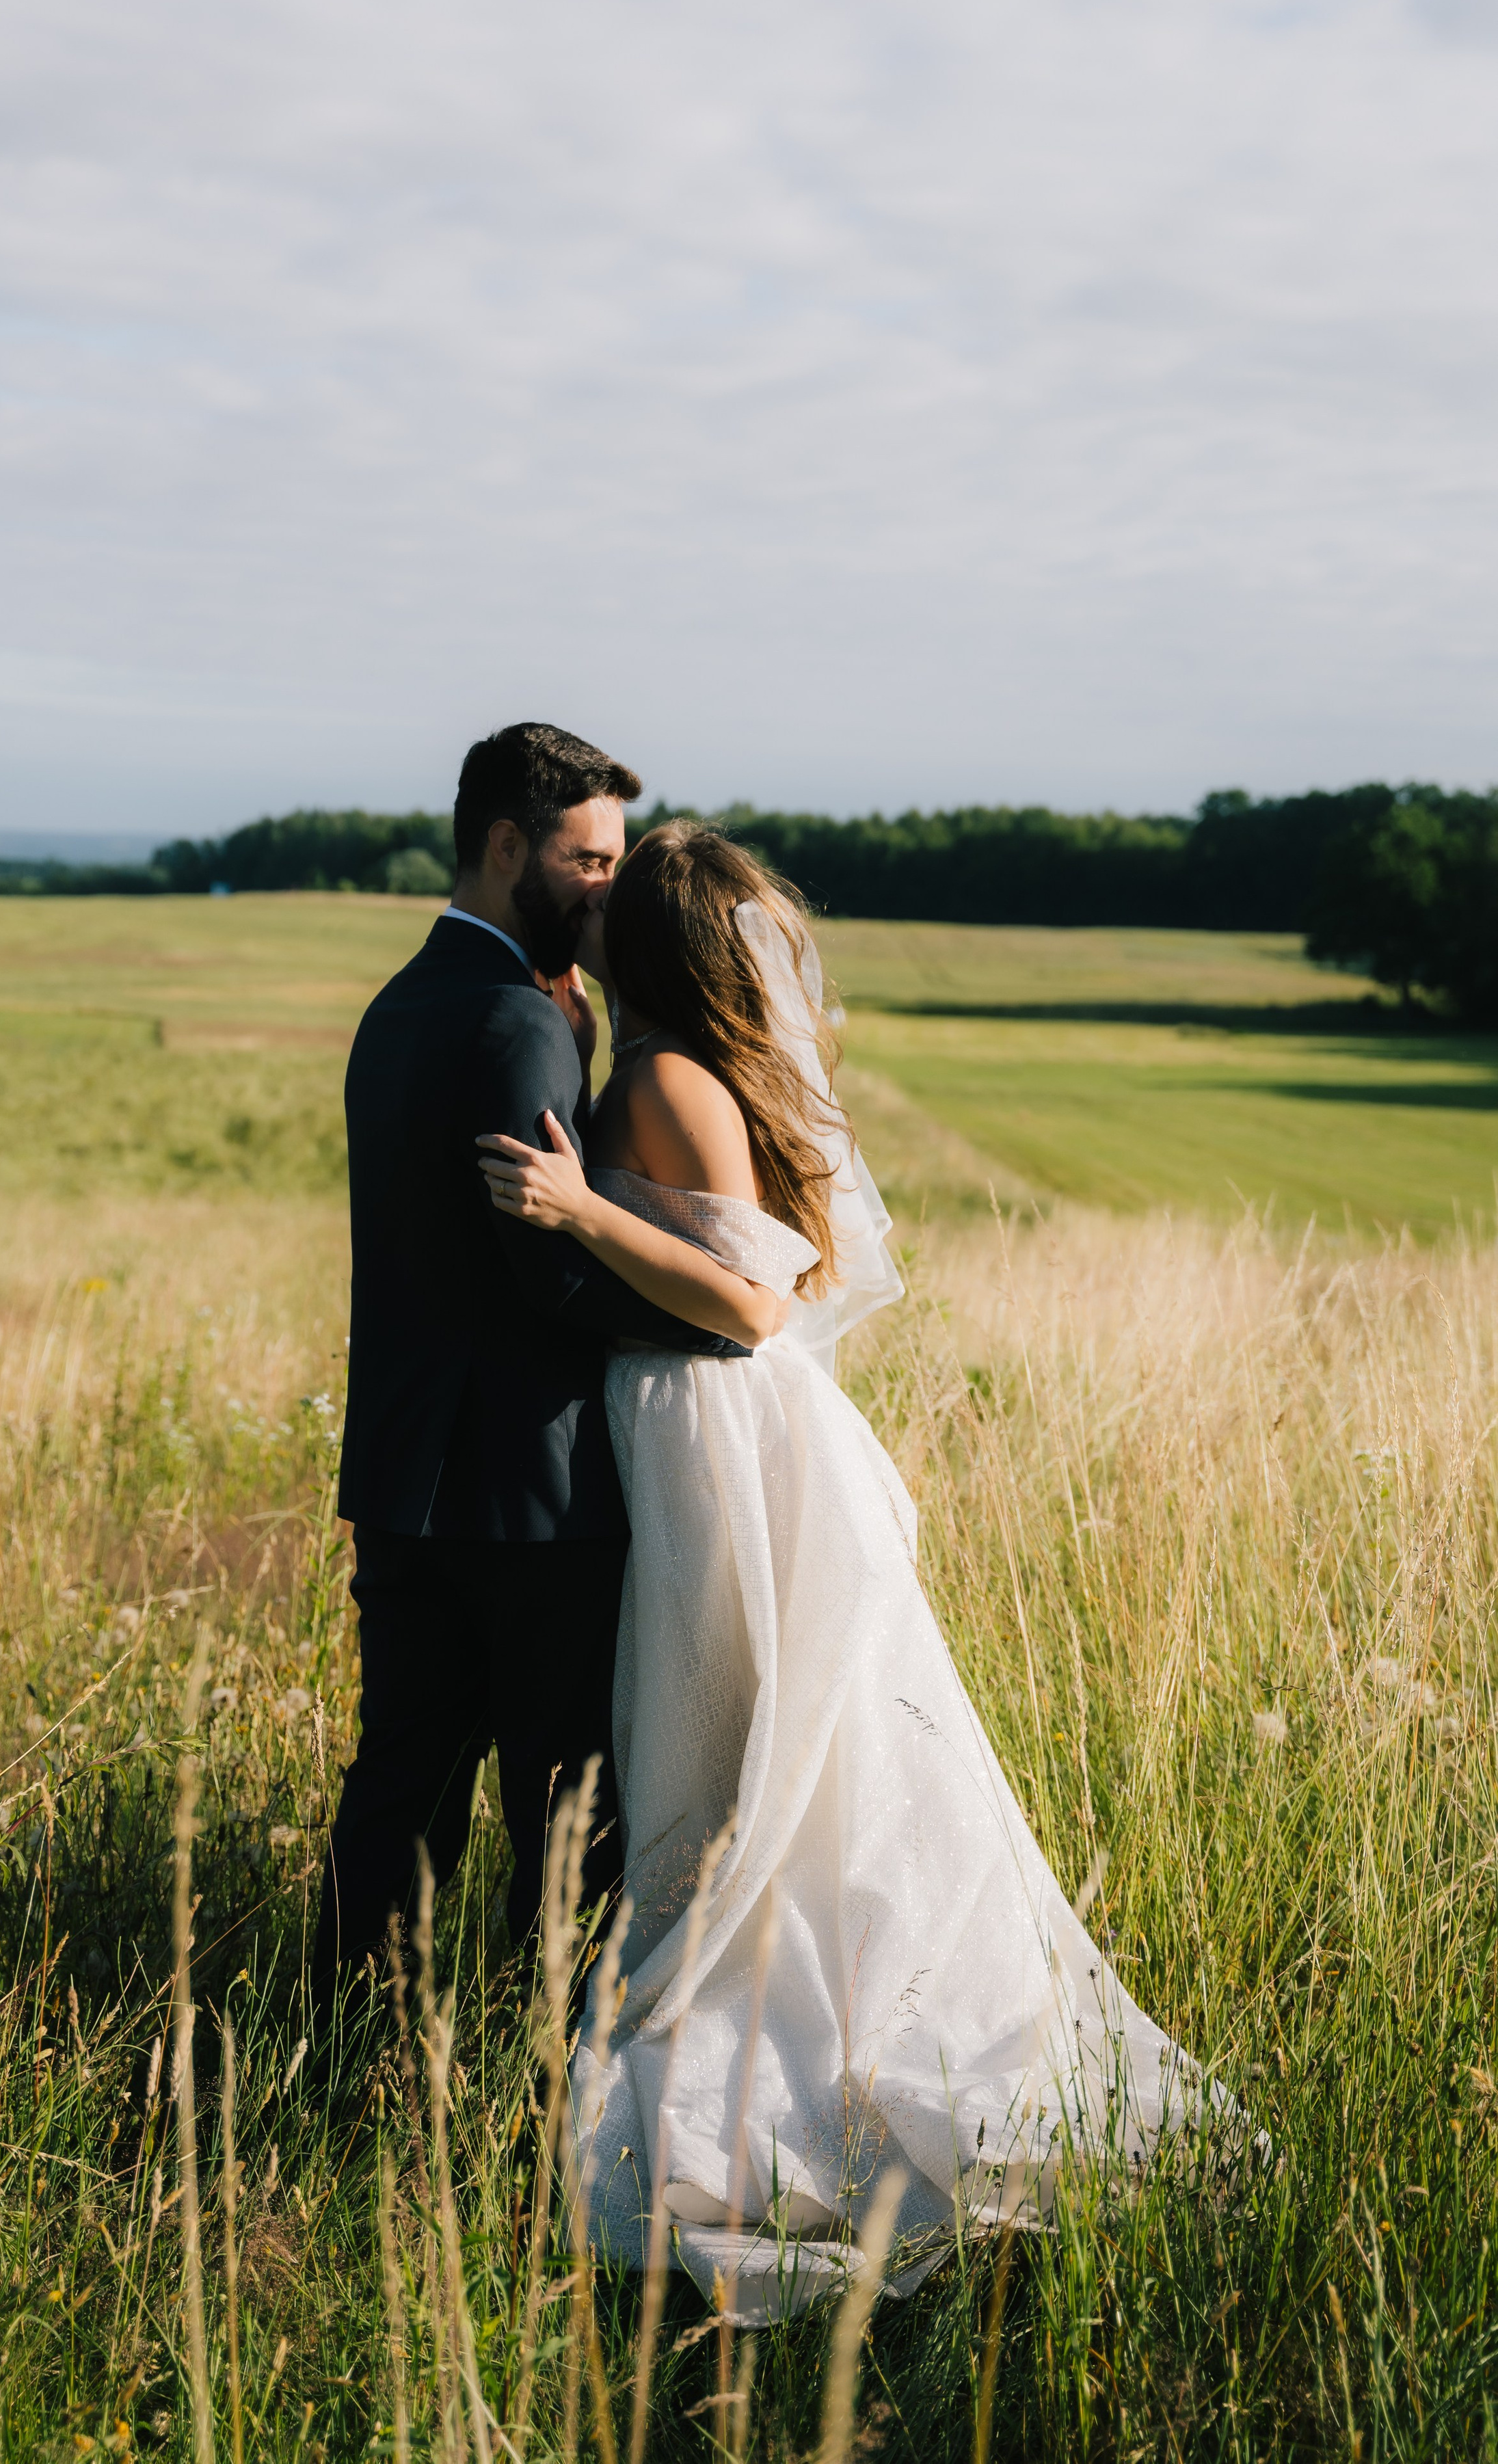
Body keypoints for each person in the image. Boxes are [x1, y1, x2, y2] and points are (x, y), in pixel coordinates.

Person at [478, 820, 1243, 2320]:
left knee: (738, 1758)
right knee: (770, 1755)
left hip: (720, 1433)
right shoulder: (710, 1070)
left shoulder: (663, 1081)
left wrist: (573, 1210)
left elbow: (757, 1304)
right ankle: (806, 2024)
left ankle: (791, 2069)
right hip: (732, 1436)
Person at [311, 728, 762, 2009]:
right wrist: (720, 1325)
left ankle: (348, 2063)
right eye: (591, 860)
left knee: (398, 1792)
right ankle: (554, 2074)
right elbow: (547, 1275)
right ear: (508, 846)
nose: (612, 890)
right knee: (566, 1812)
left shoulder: (401, 1001)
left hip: (407, 1478)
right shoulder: (523, 1023)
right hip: (533, 1494)